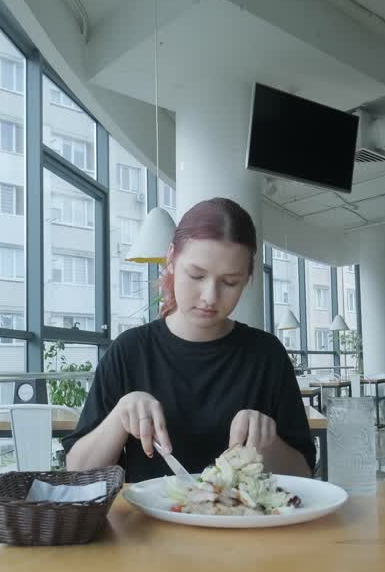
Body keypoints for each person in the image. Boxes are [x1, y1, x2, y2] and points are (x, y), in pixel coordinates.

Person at [62, 197, 315, 482]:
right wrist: (120, 417)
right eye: (196, 275)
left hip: (245, 524)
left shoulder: (267, 355)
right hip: (148, 524)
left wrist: (267, 444)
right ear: (171, 258)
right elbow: (76, 471)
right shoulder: (130, 351)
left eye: (230, 282)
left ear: (247, 277)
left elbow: (304, 473)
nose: (210, 297)